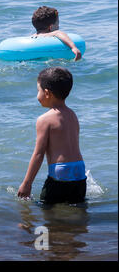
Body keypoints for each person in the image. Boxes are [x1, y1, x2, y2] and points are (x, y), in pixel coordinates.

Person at [18, 67, 86, 204]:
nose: (37, 95)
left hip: (60, 173)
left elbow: (38, 154)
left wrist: (27, 183)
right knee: (77, 209)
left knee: (48, 211)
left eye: (38, 91)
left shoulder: (44, 120)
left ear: (47, 93)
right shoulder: (72, 115)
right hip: (79, 172)